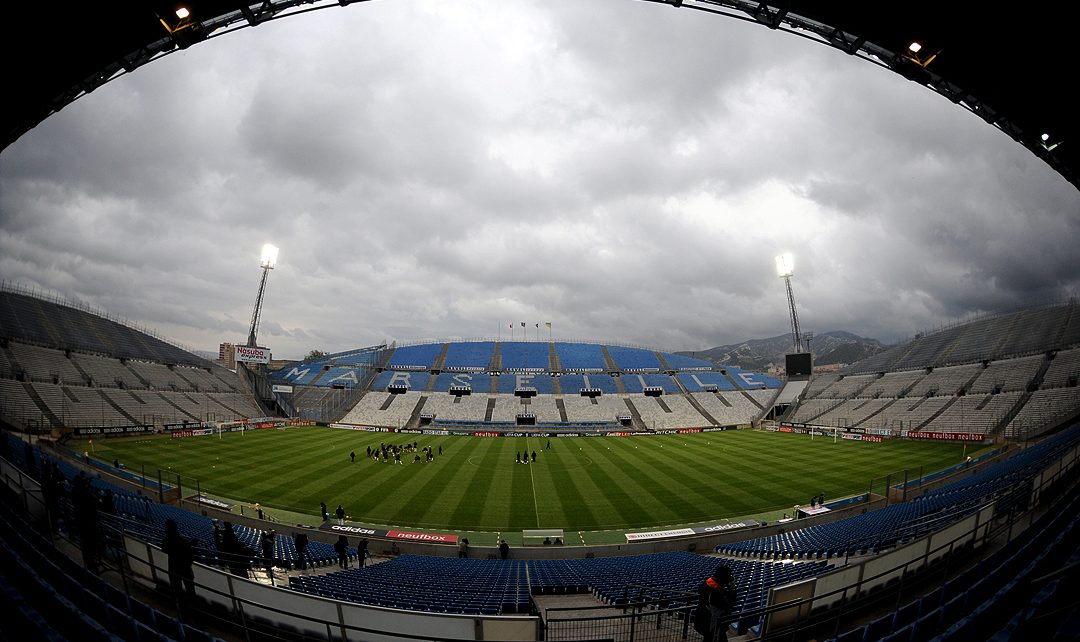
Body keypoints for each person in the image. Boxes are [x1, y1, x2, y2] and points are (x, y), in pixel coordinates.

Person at [695, 564, 737, 640]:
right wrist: (732, 589)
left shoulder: (707, 583)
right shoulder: (716, 592)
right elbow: (729, 604)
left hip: (702, 619)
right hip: (713, 624)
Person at [162, 519, 197, 608]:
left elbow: (164, 549)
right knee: (190, 590)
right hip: (185, 569)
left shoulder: (167, 540)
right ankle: (193, 608)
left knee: (178, 590)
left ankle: (181, 607)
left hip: (174, 569)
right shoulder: (183, 541)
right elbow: (190, 555)